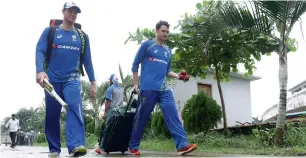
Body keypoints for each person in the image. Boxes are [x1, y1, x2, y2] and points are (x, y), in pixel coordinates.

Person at [35, 1, 96, 157]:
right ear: (63, 11)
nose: (73, 13)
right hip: (52, 80)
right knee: (52, 114)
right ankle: (54, 149)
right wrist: (40, 72)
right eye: (70, 10)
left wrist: (93, 81)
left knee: (74, 108)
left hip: (72, 79)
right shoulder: (50, 32)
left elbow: (87, 60)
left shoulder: (82, 37)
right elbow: (40, 50)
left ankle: (76, 145)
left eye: (76, 11)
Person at [128, 20, 197, 156]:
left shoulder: (167, 51)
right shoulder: (147, 46)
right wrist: (135, 84)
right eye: (163, 31)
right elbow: (135, 65)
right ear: (156, 30)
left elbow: (167, 71)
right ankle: (133, 146)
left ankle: (182, 145)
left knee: (172, 114)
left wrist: (179, 76)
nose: (165, 34)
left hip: (164, 89)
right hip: (148, 89)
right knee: (142, 117)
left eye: (167, 32)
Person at [95, 74, 124, 154]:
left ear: (111, 80)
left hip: (111, 112)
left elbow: (108, 101)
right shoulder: (121, 90)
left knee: (104, 128)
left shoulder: (110, 89)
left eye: (109, 80)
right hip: (120, 113)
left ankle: (100, 147)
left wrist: (105, 112)